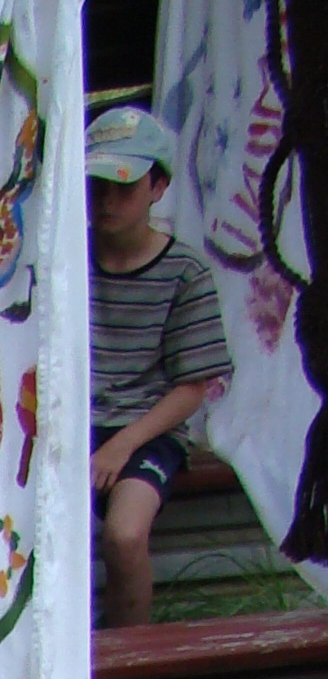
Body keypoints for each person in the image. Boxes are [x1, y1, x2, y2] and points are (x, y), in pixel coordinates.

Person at [86, 102, 231, 629]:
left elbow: (193, 387)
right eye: (97, 185)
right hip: (66, 424)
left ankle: (130, 651)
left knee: (124, 535)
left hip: (147, 431)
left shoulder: (186, 272)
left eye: (124, 186)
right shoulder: (61, 263)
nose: (107, 200)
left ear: (158, 186)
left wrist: (122, 444)